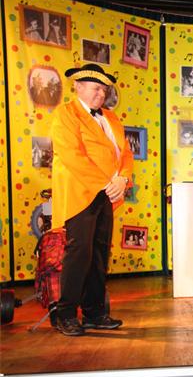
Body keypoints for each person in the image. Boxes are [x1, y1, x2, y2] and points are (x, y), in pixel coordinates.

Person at [50, 63, 133, 336]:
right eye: (96, 88)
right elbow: (72, 155)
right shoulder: (65, 113)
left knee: (99, 254)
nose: (101, 94)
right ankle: (65, 314)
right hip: (81, 193)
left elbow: (125, 154)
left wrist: (123, 179)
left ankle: (94, 313)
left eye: (104, 90)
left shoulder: (111, 117)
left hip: (107, 194)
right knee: (79, 253)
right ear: (78, 87)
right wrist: (107, 183)